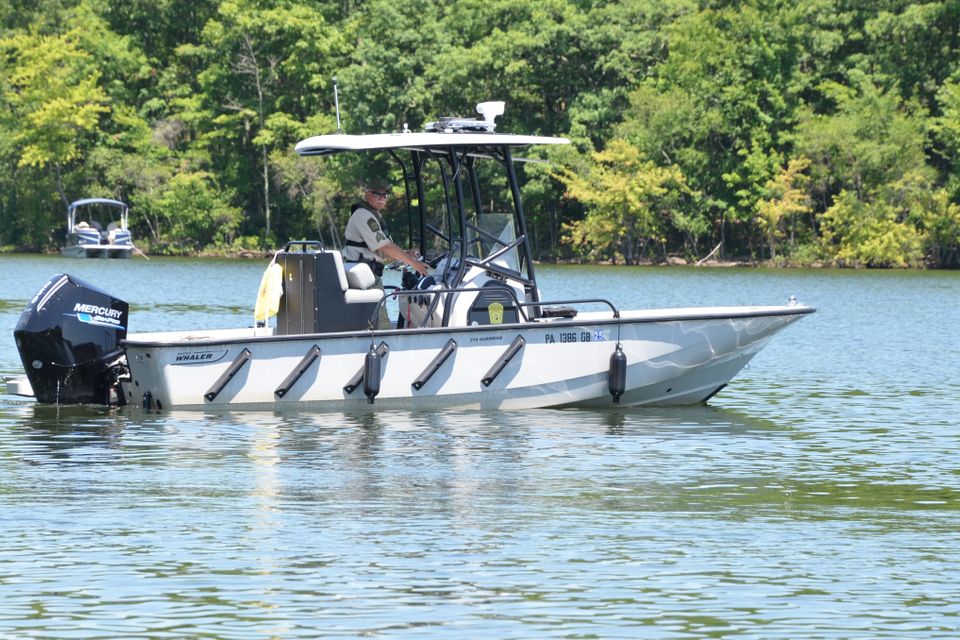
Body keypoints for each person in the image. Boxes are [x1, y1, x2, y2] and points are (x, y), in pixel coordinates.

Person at [342, 177, 429, 328]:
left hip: (369, 276)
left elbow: (380, 250)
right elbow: (386, 247)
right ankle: (385, 348)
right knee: (382, 325)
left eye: (385, 195)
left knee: (377, 323)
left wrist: (405, 254)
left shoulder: (374, 216)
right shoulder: (363, 215)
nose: (382, 198)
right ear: (367, 194)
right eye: (377, 194)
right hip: (365, 279)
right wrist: (415, 263)